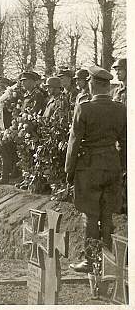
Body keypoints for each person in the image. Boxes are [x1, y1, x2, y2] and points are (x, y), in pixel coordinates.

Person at [66, 66, 126, 273]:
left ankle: (91, 261)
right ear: (108, 86)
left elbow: (74, 143)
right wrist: (124, 168)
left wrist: (69, 170)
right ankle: (108, 262)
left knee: (91, 215)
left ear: (92, 84)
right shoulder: (121, 109)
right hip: (112, 165)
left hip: (89, 167)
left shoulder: (84, 108)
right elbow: (126, 142)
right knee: (107, 214)